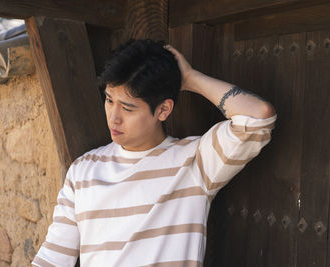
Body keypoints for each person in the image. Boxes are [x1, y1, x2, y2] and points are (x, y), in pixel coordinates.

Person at [32, 39, 276, 267]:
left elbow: (258, 116)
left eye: (127, 108)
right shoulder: (83, 170)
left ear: (163, 110)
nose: (113, 117)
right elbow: (52, 259)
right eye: (108, 100)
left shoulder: (195, 162)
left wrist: (190, 78)